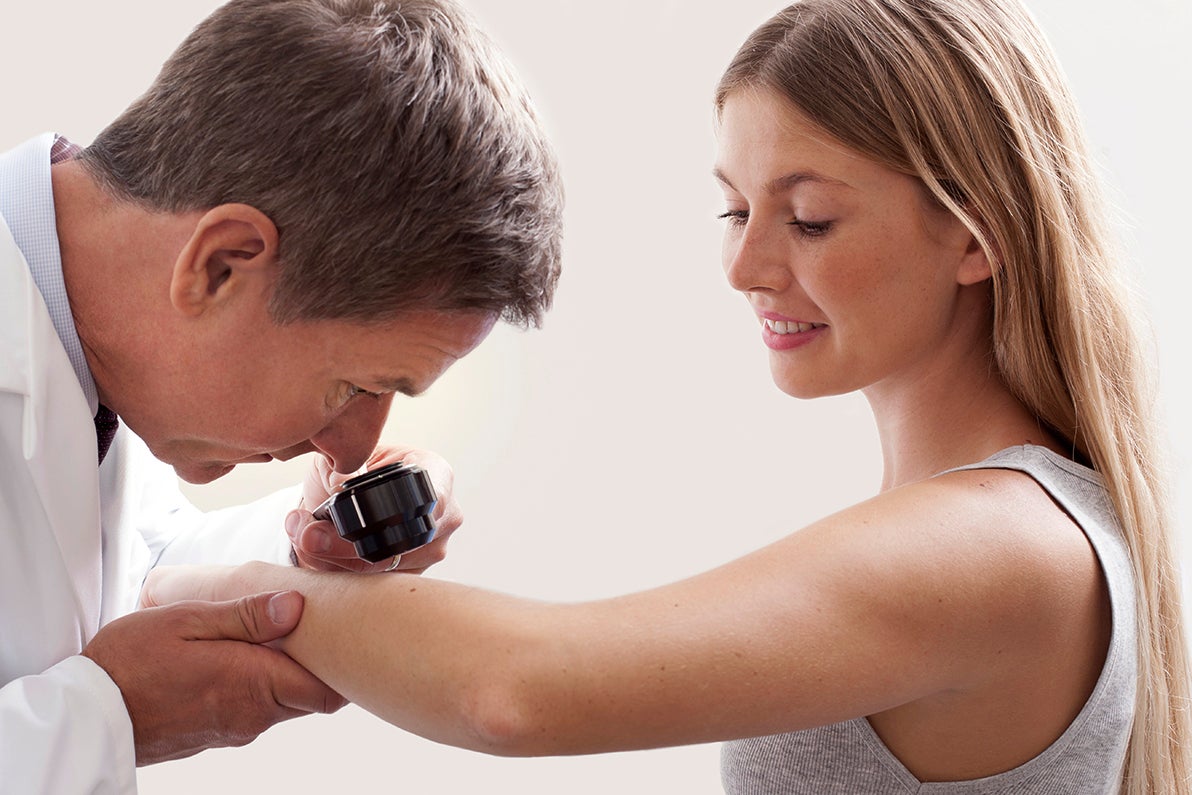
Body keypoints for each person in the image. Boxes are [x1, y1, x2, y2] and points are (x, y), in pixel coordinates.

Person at [142, 0, 1191, 792]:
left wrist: (194, 586)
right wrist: (293, 554)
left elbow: (514, 692)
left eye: (810, 218)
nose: (746, 268)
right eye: (734, 210)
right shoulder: (1009, 528)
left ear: (973, 233)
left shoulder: (1001, 547)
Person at [0, 0, 563, 790]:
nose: (354, 447)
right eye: (356, 386)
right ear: (221, 264)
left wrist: (304, 549)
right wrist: (100, 717)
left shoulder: (100, 360)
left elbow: (117, 579)